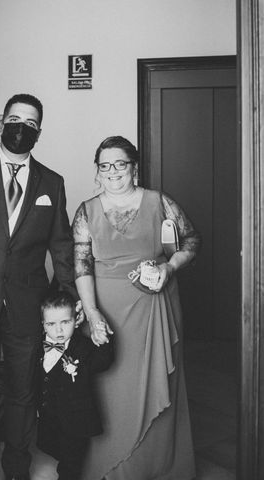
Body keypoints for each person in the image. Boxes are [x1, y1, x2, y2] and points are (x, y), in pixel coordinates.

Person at [73, 136, 201, 480]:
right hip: (106, 310)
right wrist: (92, 312)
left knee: (160, 382)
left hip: (154, 306)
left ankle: (157, 465)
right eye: (105, 165)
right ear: (97, 172)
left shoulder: (160, 203)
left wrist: (168, 268)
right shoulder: (86, 210)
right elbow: (81, 265)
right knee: (108, 387)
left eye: (120, 163)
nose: (112, 171)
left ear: (134, 167)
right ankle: (111, 467)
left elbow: (191, 240)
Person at [0, 93, 78, 480]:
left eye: (30, 124)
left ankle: (15, 467)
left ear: (38, 133)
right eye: (15, 119)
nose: (21, 127)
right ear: (3, 122)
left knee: (22, 391)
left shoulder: (52, 182)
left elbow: (62, 246)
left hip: (28, 304)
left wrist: (65, 297)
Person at [36, 291, 114, 480]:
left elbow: (103, 362)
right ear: (43, 324)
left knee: (71, 465)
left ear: (76, 320)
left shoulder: (83, 347)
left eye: (65, 322)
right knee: (57, 451)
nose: (59, 330)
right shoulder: (37, 347)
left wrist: (102, 338)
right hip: (51, 418)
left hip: (76, 421)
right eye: (51, 324)